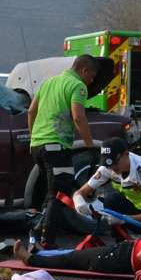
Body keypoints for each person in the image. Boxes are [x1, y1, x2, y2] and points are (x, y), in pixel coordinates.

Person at [28, 54, 98, 248]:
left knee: (47, 193)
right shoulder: (77, 86)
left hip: (38, 147)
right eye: (91, 76)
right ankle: (47, 242)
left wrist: (33, 137)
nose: (91, 81)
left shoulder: (48, 83)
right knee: (59, 194)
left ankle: (35, 235)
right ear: (83, 70)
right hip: (56, 147)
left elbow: (31, 111)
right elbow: (78, 117)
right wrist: (90, 145)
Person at [73, 137, 141, 235]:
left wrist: (124, 219)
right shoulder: (107, 168)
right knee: (111, 201)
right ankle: (120, 239)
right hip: (134, 205)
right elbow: (81, 192)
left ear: (126, 154)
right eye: (108, 165)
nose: (112, 168)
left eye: (115, 163)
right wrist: (78, 201)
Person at [13, 236, 141, 275]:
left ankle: (30, 259)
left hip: (114, 260)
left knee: (71, 260)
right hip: (119, 252)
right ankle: (40, 252)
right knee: (76, 254)